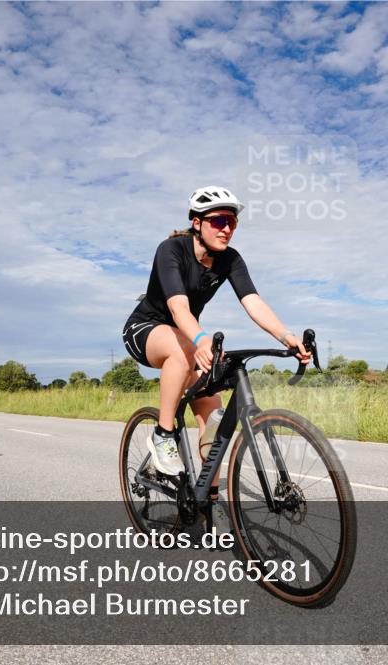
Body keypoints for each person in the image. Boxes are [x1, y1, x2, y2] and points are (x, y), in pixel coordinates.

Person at [121, 186, 311, 516]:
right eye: (219, 220)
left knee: (214, 420)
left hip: (185, 334)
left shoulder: (230, 259)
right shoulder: (171, 250)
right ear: (197, 222)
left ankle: (209, 503)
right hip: (146, 330)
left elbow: (253, 302)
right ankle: (164, 434)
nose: (227, 229)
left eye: (232, 222)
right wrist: (201, 340)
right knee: (184, 349)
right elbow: (178, 307)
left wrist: (286, 335)